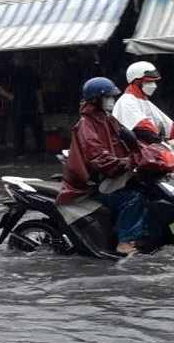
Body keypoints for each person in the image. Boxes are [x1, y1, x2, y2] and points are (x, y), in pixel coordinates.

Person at [56, 77, 147, 257]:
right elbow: (97, 157)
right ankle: (124, 242)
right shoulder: (86, 124)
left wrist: (148, 152)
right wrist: (126, 163)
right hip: (93, 183)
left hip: (110, 176)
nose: (112, 100)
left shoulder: (107, 118)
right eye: (109, 97)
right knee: (133, 197)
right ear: (96, 100)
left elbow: (126, 138)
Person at [112, 61, 174, 145]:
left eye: (154, 81)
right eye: (149, 81)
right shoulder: (126, 101)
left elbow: (168, 125)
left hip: (148, 149)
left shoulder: (144, 101)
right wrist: (162, 142)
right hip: (135, 152)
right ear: (137, 81)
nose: (153, 85)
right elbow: (143, 127)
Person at [0, 53, 44, 157]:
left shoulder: (31, 71)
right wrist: (8, 95)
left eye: (23, 58)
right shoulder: (8, 71)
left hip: (31, 103)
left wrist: (40, 104)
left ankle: (40, 150)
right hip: (16, 104)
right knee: (18, 128)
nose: (21, 60)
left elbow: (38, 89)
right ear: (14, 59)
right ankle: (20, 152)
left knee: (37, 128)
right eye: (19, 58)